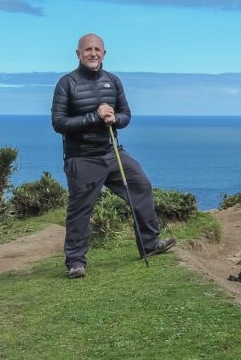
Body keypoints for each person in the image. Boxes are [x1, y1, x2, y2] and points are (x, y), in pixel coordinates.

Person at [51, 33, 176, 279]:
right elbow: (59, 123)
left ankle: (149, 243)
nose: (93, 53)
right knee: (80, 210)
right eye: (88, 49)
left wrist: (114, 119)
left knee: (141, 186)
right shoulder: (67, 83)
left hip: (111, 153)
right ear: (78, 53)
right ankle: (76, 262)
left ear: (104, 53)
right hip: (82, 158)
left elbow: (126, 115)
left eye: (97, 49)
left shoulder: (113, 81)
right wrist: (94, 117)